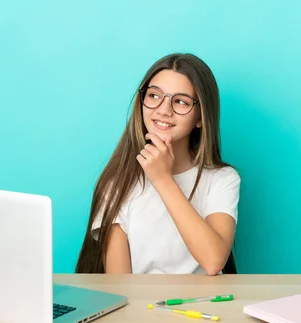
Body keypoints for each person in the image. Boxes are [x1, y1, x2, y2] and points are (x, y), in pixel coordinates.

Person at [75, 53, 241, 275]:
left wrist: (163, 179)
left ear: (201, 118)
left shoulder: (223, 179)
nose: (163, 110)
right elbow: (120, 286)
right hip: (142, 308)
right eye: (154, 96)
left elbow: (213, 261)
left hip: (204, 307)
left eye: (180, 101)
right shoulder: (116, 184)